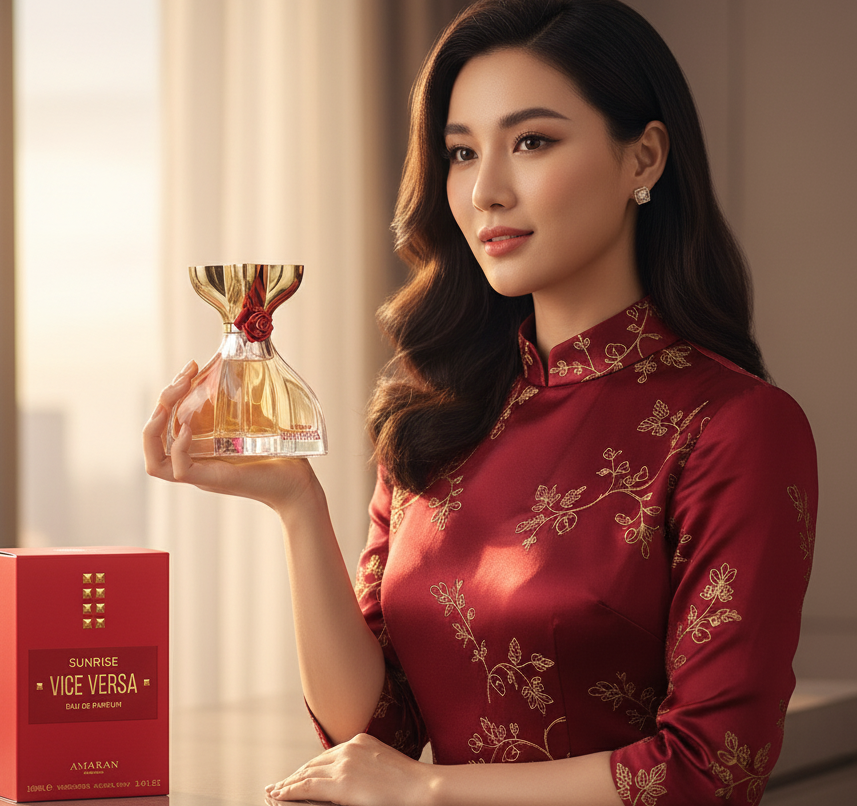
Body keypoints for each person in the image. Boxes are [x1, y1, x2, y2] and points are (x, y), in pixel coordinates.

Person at [143, 0, 818, 803]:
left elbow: (714, 768)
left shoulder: (736, 427)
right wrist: (296, 505)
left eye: (532, 141)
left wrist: (432, 791)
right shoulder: (437, 411)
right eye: (461, 153)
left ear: (644, 158)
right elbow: (375, 731)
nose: (485, 190)